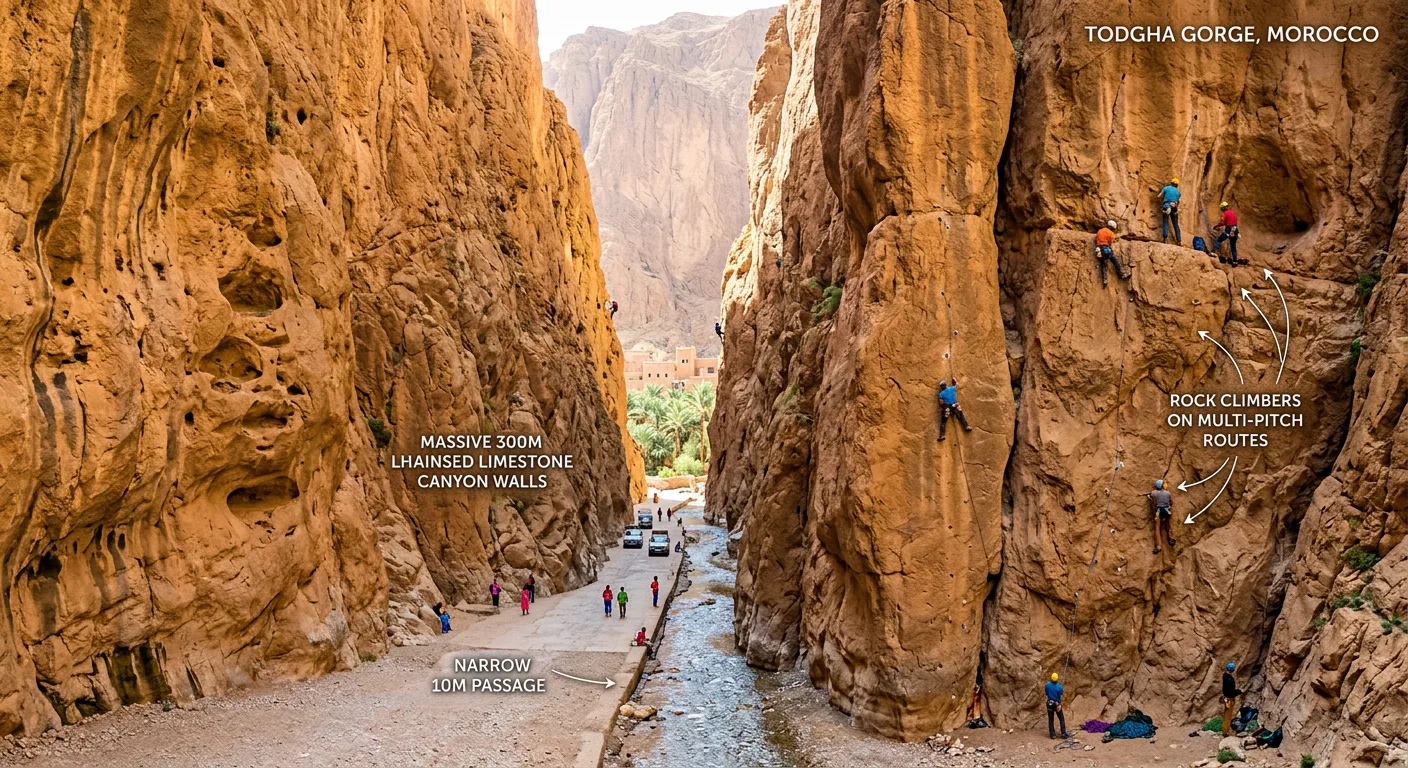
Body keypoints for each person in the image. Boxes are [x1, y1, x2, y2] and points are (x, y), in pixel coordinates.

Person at [1095, 220, 1132, 286]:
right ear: (1112, 228)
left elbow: (1096, 239)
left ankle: (1105, 280)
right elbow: (1110, 243)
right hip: (1106, 249)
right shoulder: (1111, 234)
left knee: (1104, 264)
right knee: (1115, 261)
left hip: (1099, 249)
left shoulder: (1100, 231)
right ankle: (1122, 274)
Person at [1148, 479, 1176, 554]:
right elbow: (1171, 503)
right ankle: (1171, 538)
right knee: (1168, 525)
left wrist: (1154, 511)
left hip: (1158, 512)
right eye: (1164, 484)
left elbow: (1153, 503)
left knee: (1157, 528)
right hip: (1167, 511)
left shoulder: (1154, 493)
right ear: (1162, 485)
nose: (1166, 485)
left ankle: (1158, 546)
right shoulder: (1168, 493)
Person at [1045, 673, 1070, 740]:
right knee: (1061, 718)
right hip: (1056, 704)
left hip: (1049, 704)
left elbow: (1046, 693)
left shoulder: (1047, 685)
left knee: (1051, 719)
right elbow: (1061, 693)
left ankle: (1052, 734)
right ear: (1057, 679)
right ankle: (1063, 733)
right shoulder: (1059, 687)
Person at [1221, 662, 1242, 736]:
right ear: (1232, 669)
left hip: (1226, 697)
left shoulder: (1224, 675)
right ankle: (1225, 731)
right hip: (1230, 698)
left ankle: (1225, 730)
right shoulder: (1230, 679)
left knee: (1226, 714)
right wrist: (1239, 691)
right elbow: (1231, 692)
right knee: (1228, 715)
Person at [1160, 178, 1182, 244]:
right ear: (1177, 185)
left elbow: (1160, 195)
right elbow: (1178, 201)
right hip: (1174, 207)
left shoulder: (1166, 188)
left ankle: (1165, 238)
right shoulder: (1178, 192)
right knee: (1175, 224)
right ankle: (1179, 240)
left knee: (1165, 221)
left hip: (1166, 205)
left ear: (1171, 183)